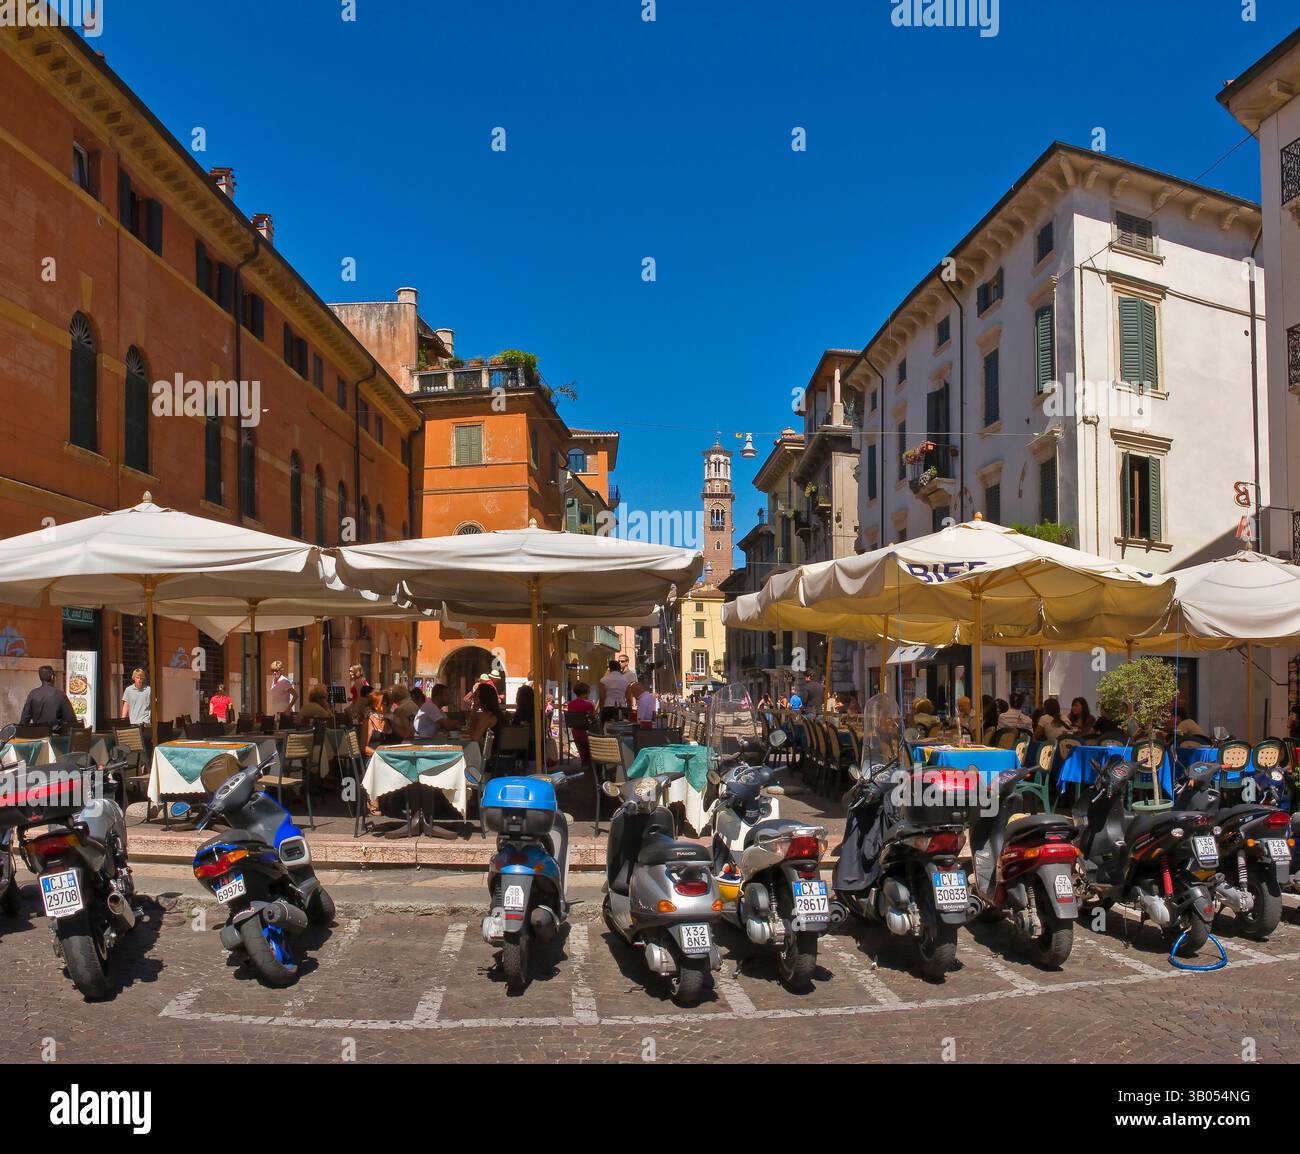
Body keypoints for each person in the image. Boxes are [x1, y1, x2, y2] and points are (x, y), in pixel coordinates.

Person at [20, 665, 76, 732]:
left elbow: (24, 719)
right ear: (52, 677)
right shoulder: (59, 694)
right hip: (55, 738)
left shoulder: (33, 694)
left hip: (37, 735)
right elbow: (71, 720)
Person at [567, 682, 596, 767]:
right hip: (587, 732)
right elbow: (593, 719)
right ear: (586, 692)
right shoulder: (589, 705)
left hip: (575, 732)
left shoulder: (570, 704)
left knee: (583, 752)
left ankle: (584, 765)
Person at [598, 659, 633, 724]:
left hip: (608, 707)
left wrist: (601, 711)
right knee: (622, 730)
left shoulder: (603, 680)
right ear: (619, 668)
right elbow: (628, 698)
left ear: (610, 668)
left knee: (607, 730)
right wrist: (629, 710)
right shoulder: (626, 680)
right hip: (622, 707)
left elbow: (602, 698)